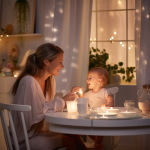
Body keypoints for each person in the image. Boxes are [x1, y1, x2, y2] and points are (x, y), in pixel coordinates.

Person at [10, 43, 87, 150]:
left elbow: (49, 109)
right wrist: (62, 101)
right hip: (24, 139)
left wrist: (70, 99)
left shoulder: (50, 81)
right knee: (68, 141)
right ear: (46, 62)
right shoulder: (28, 82)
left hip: (35, 133)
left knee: (72, 133)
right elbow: (33, 116)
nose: (63, 66)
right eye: (60, 62)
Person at [84, 67, 114, 150]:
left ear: (99, 81)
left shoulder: (104, 91)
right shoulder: (88, 94)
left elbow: (110, 100)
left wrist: (108, 105)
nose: (87, 80)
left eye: (90, 78)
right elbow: (82, 99)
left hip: (102, 117)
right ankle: (97, 139)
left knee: (100, 127)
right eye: (87, 78)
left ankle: (98, 142)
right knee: (86, 128)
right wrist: (77, 93)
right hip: (91, 117)